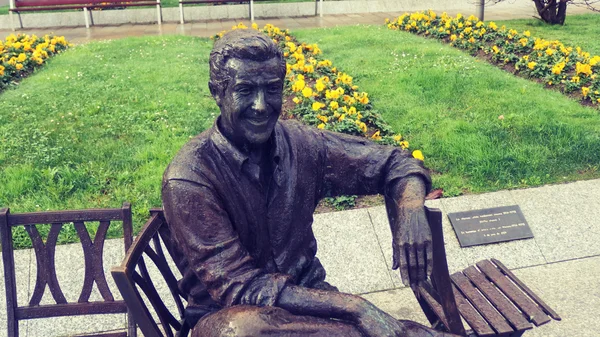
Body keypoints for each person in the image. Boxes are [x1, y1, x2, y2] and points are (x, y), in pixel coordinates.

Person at [162, 29, 458, 337]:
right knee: (239, 330)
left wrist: (410, 208)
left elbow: (393, 162)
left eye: (272, 89)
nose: (261, 105)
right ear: (217, 92)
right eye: (246, 90)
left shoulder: (302, 144)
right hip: (229, 318)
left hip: (308, 303)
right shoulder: (189, 177)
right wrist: (354, 307)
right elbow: (242, 286)